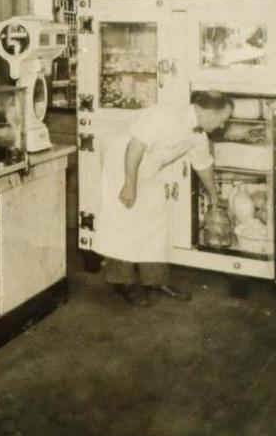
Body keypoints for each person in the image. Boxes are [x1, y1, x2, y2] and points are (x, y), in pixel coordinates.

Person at [92, 90, 233, 306]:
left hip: (150, 167)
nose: (222, 126)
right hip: (122, 162)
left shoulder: (198, 135)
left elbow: (203, 165)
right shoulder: (167, 115)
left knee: (156, 218)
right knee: (122, 221)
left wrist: (215, 197)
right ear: (209, 112)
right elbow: (135, 146)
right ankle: (123, 283)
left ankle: (155, 280)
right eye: (222, 120)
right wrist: (129, 185)